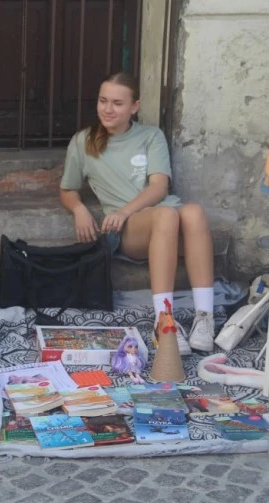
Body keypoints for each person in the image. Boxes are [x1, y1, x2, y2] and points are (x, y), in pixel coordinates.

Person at [59, 71, 215, 354]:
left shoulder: (151, 135)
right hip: (129, 230)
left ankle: (205, 318)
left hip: (159, 217)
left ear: (134, 107)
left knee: (193, 212)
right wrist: (80, 209)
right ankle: (164, 320)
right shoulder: (83, 142)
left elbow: (159, 187)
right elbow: (67, 189)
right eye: (103, 101)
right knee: (167, 216)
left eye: (118, 103)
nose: (108, 109)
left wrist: (125, 209)